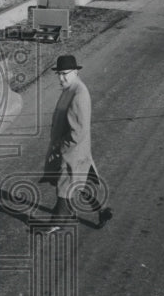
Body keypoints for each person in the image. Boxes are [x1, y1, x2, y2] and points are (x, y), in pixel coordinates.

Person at [40, 54, 112, 232]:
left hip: (71, 151)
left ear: (75, 72)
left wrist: (62, 150)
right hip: (74, 150)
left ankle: (57, 223)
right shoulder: (70, 88)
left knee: (64, 186)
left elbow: (77, 132)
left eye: (65, 73)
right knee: (80, 183)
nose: (61, 77)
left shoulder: (78, 94)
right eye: (59, 74)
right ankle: (102, 211)